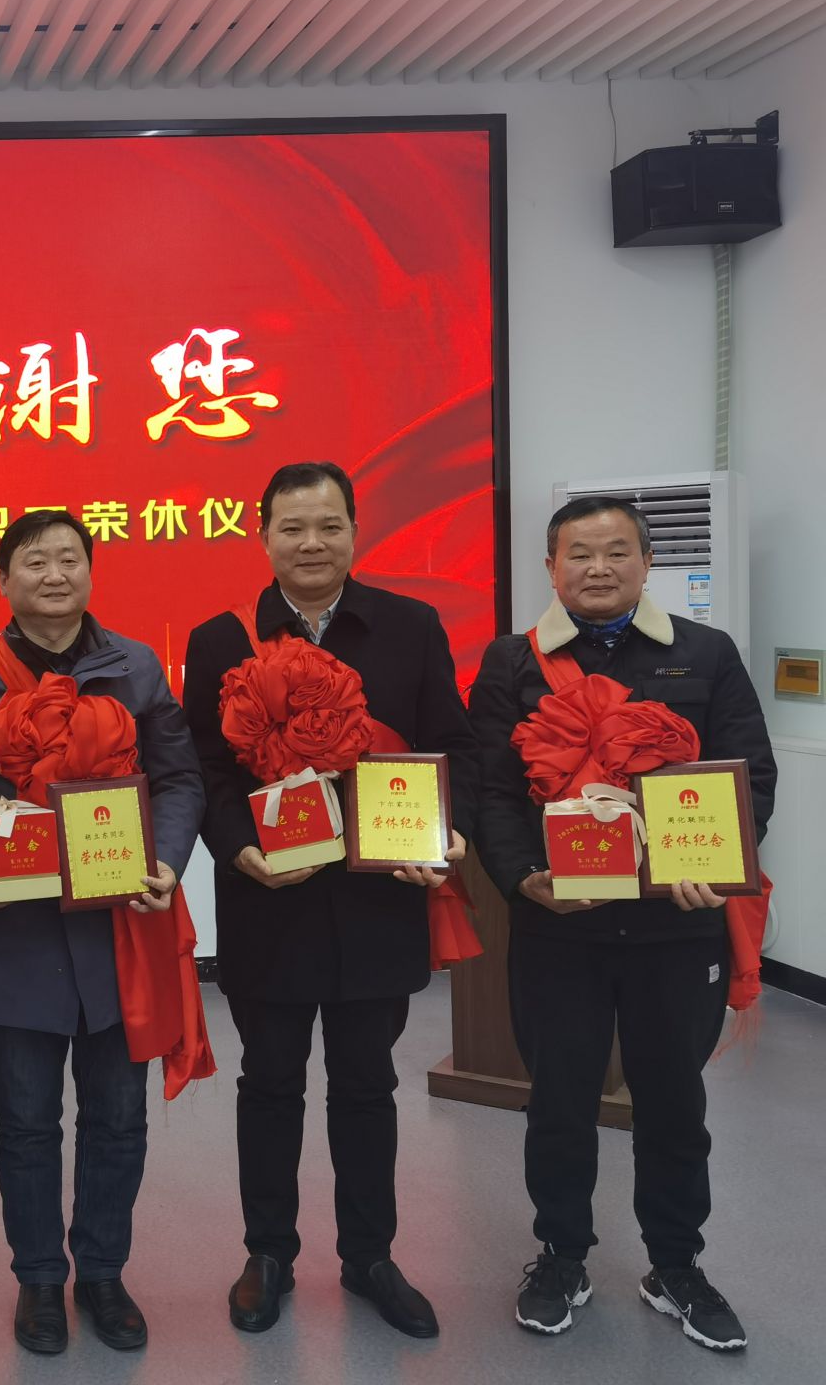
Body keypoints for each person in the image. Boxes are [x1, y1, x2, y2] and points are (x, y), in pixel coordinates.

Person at [468, 494, 775, 1351]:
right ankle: (561, 1257)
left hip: (678, 927)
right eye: (579, 553)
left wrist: (715, 861)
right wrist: (522, 879)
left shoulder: (704, 653)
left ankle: (676, 1265)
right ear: (550, 566)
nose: (597, 568)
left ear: (646, 563)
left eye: (616, 552)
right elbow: (491, 790)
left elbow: (749, 774)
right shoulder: (511, 661)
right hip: (560, 927)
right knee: (559, 1102)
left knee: (674, 1103)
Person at [182, 462, 476, 1340]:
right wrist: (237, 849)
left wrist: (446, 834)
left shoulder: (411, 626)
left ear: (355, 529)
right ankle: (268, 1254)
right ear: (262, 534)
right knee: (270, 1083)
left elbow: (450, 742)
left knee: (366, 1084)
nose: (312, 543)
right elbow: (204, 768)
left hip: (378, 901)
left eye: (329, 526)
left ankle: (369, 1256)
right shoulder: (219, 638)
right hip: (269, 901)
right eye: (293, 527)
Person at [0, 509, 209, 1355]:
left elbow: (180, 778)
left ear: (90, 570)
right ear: (3, 579)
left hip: (120, 931)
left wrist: (166, 861)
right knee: (25, 1119)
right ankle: (41, 1279)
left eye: (70, 559)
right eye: (35, 562)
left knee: (118, 1116)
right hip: (18, 935)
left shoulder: (136, 667)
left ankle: (105, 1273)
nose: (54, 575)